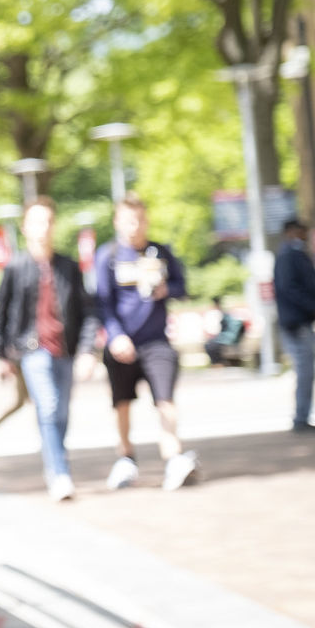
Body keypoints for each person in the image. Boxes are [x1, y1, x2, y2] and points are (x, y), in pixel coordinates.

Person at [0, 197, 97, 501]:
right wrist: (3, 356)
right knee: (48, 407)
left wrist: (88, 350)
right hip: (31, 350)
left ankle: (55, 460)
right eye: (36, 222)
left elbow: (88, 311)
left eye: (48, 221)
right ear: (25, 227)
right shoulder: (15, 267)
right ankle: (60, 473)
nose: (43, 228)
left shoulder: (68, 267)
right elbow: (1, 314)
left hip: (64, 350)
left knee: (61, 412)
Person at [95, 193, 198, 491]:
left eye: (139, 220)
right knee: (122, 404)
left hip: (156, 341)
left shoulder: (160, 252)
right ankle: (126, 457)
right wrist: (116, 337)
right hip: (122, 344)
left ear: (146, 220)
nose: (134, 226)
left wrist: (168, 289)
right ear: (117, 222)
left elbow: (182, 286)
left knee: (165, 400)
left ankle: (174, 456)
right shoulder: (109, 256)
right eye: (128, 220)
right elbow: (102, 303)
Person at [273, 217, 315, 433]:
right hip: (297, 321)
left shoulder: (294, 254)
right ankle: (301, 418)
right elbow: (290, 288)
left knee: (307, 370)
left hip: (300, 319)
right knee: (305, 370)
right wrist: (312, 305)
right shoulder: (289, 255)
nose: (304, 234)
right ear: (291, 231)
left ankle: (302, 416)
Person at [203, 295, 245, 367]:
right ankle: (217, 363)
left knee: (211, 345)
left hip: (228, 339)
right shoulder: (225, 315)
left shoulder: (228, 317)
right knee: (210, 344)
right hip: (226, 338)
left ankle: (218, 364)